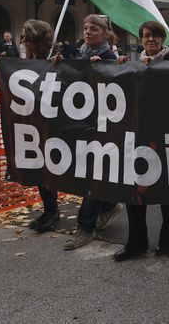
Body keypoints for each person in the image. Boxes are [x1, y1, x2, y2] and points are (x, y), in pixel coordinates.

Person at [112, 21, 169, 262]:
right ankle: (136, 243)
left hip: (168, 136)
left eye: (154, 35)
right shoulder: (135, 64)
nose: (150, 39)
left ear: (163, 39)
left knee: (168, 192)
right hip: (139, 136)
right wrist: (118, 68)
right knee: (135, 190)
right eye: (145, 36)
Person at [53, 14, 123, 250]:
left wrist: (100, 69)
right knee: (94, 172)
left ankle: (86, 227)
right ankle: (109, 205)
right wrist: (60, 65)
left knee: (93, 174)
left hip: (101, 124)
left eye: (93, 28)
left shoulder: (108, 56)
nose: (87, 31)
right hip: (81, 122)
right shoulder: (81, 54)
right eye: (85, 27)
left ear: (105, 33)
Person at [0, 20, 60, 231]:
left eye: (26, 36)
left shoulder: (57, 60)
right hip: (35, 126)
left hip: (56, 125)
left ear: (37, 39)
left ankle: (105, 204)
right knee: (40, 167)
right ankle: (50, 210)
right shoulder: (26, 61)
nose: (22, 40)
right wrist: (2, 67)